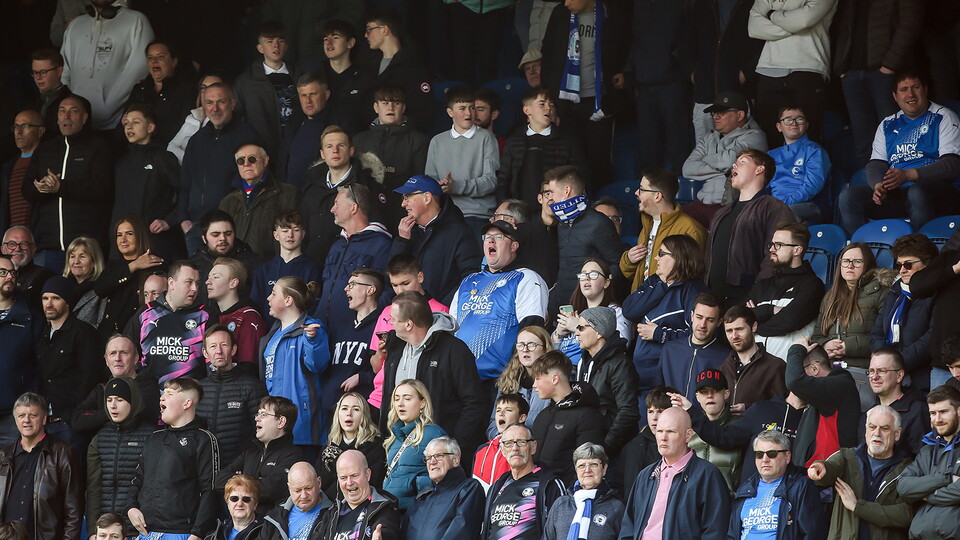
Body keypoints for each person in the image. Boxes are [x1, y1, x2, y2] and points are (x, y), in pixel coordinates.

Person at [838, 71, 960, 235]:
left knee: (918, 192)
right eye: (903, 89)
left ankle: (919, 251)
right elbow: (876, 163)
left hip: (938, 192)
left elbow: (952, 164)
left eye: (915, 87)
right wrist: (878, 185)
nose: (910, 94)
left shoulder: (943, 116)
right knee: (849, 197)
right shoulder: (887, 124)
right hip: (899, 193)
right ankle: (862, 253)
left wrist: (909, 174)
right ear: (895, 96)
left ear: (925, 89)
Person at [540, 0, 628, 190]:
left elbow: (625, 47)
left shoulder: (610, 13)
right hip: (566, 101)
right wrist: (550, 98)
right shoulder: (560, 14)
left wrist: (624, 74)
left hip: (598, 102)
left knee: (599, 162)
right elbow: (547, 53)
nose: (567, 2)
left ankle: (601, 208)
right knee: (569, 162)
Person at [451, 219, 548, 384]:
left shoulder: (525, 277)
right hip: (460, 380)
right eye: (487, 237)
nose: (491, 240)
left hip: (500, 380)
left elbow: (532, 329)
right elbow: (450, 327)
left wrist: (517, 375)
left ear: (513, 246)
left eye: (499, 236)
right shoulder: (469, 280)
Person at [27, 94, 113, 270]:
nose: (66, 117)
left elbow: (101, 187)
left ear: (84, 117)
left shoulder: (99, 146)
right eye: (61, 111)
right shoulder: (45, 149)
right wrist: (40, 188)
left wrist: (61, 187)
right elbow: (26, 189)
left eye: (73, 111)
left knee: (84, 297)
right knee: (51, 296)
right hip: (50, 249)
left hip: (86, 248)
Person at [619, 407, 730, 540]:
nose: (663, 438)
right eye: (659, 431)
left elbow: (715, 531)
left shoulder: (707, 475)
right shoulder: (645, 476)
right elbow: (628, 528)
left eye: (671, 432)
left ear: (688, 435)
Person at [128, 378, 219, 539]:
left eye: (169, 394)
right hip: (146, 532)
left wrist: (198, 533)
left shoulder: (203, 439)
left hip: (182, 533)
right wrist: (130, 508)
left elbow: (210, 490)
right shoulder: (153, 438)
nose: (162, 397)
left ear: (187, 403)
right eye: (163, 393)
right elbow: (137, 480)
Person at [832, 0, 919, 166]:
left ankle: (902, 186)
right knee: (863, 143)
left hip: (886, 74)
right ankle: (871, 187)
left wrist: (889, 66)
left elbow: (910, 23)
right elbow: (842, 27)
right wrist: (841, 68)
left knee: (897, 138)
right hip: (852, 74)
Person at [706, 148, 796, 308]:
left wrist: (757, 294)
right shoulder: (723, 211)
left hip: (745, 301)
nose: (734, 165)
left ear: (759, 169)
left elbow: (777, 255)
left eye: (742, 161)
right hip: (713, 299)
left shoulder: (773, 208)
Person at [807, 405, 914, 539]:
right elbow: (830, 468)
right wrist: (820, 468)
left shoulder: (908, 469)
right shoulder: (847, 457)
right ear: (865, 431)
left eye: (884, 428)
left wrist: (857, 506)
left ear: (897, 434)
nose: (877, 433)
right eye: (872, 427)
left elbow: (904, 515)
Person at [179, 82, 259, 255]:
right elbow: (185, 183)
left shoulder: (247, 136)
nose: (215, 108)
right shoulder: (196, 140)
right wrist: (183, 219)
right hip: (196, 228)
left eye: (221, 101)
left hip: (230, 228)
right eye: (209, 102)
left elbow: (254, 182)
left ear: (232, 103)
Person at [811, 242, 892, 408]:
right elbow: (817, 336)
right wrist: (825, 345)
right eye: (845, 261)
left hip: (863, 373)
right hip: (830, 373)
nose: (850, 266)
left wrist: (848, 347)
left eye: (857, 262)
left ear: (867, 265)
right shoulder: (830, 296)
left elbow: (885, 338)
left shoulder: (881, 292)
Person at [623, 234, 707, 393]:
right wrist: (663, 285)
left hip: (669, 381)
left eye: (661, 253)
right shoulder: (654, 282)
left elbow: (700, 334)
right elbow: (630, 310)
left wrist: (659, 334)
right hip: (641, 379)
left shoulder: (693, 291)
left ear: (679, 257)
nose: (656, 258)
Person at [366, 254, 449, 415]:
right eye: (394, 285)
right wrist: (380, 353)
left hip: (418, 398)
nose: (400, 290)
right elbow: (376, 368)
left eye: (405, 283)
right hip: (381, 397)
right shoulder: (386, 312)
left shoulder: (439, 311)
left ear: (420, 276)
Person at [748, 0, 836, 145]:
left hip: (808, 68)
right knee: (769, 135)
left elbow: (805, 20)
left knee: (807, 135)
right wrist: (794, 26)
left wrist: (771, 15)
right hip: (768, 70)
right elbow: (753, 28)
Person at [299, 126, 391, 264]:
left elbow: (377, 235)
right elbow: (301, 228)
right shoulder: (311, 187)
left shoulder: (368, 187)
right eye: (329, 146)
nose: (335, 150)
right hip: (311, 265)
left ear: (351, 150)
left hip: (350, 268)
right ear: (322, 154)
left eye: (341, 145)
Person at [259, 277, 330, 456]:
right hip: (276, 428)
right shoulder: (272, 335)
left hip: (302, 428)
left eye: (274, 294)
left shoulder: (311, 329)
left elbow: (317, 365)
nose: (268, 298)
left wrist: (313, 340)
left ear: (288, 300)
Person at [541, 165, 624, 315]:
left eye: (551, 192)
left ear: (567, 191)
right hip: (562, 310)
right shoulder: (562, 222)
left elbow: (618, 264)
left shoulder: (598, 223)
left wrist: (597, 298)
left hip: (588, 313)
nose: (550, 199)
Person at [60, 0, 154, 130]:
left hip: (116, 123)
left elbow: (138, 70)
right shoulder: (76, 25)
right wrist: (72, 106)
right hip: (76, 122)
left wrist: (108, 106)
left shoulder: (136, 21)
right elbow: (63, 69)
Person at [0, 392, 82, 539]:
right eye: (21, 415)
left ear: (44, 419)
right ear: (15, 419)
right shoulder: (3, 456)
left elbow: (73, 511)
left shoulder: (63, 453)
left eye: (33, 415)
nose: (26, 420)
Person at [390, 175, 482, 304]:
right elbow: (393, 276)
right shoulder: (407, 232)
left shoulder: (459, 231)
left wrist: (441, 308)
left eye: (407, 197)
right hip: (409, 313)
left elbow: (471, 277)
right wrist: (402, 242)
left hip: (444, 317)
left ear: (427, 197)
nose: (403, 204)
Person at [36, 275, 102, 449]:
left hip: (70, 424)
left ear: (68, 302)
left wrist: (74, 415)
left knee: (73, 474)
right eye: (45, 298)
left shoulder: (84, 333)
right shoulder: (41, 334)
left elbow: (90, 378)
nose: (49, 304)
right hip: (43, 423)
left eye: (56, 298)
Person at [84, 376, 155, 538]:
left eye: (120, 399)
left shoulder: (151, 436)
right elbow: (93, 488)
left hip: (137, 529)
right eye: (109, 400)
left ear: (133, 401)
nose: (113, 406)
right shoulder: (100, 438)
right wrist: (93, 531)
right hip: (105, 531)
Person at [682, 91, 768, 222]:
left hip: (732, 206)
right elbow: (687, 169)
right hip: (702, 203)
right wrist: (723, 169)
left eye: (721, 112)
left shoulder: (754, 136)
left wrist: (706, 158)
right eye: (714, 113)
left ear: (739, 115)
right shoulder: (708, 139)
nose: (715, 117)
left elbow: (728, 162)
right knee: (673, 222)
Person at [112, 105, 182, 262]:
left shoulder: (163, 159)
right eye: (126, 123)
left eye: (135, 122)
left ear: (150, 127)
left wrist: (169, 221)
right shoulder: (120, 162)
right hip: (124, 246)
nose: (129, 127)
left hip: (155, 241)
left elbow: (186, 192)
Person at [315, 184, 391, 328]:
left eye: (337, 204)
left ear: (354, 208)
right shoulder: (337, 244)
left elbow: (387, 290)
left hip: (354, 331)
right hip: (323, 328)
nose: (332, 209)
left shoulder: (381, 243)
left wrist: (366, 322)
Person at [496, 87, 585, 211]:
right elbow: (504, 180)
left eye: (551, 104)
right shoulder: (514, 140)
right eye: (542, 104)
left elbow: (578, 177)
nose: (548, 108)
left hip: (556, 210)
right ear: (527, 110)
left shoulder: (567, 140)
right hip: (520, 211)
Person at [746, 222, 825, 359]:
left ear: (797, 250)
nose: (772, 249)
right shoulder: (762, 285)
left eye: (779, 245)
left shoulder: (812, 285)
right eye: (772, 244)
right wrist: (771, 310)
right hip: (754, 367)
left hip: (788, 369)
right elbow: (742, 318)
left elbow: (788, 322)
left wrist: (755, 322)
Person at [728, 430, 827, 538]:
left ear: (787, 457)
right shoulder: (744, 490)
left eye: (772, 454)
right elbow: (732, 535)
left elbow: (813, 534)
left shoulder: (801, 487)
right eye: (759, 454)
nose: (765, 460)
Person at [424, 86, 499, 229]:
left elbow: (490, 181)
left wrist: (456, 186)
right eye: (462, 108)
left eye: (471, 108)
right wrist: (441, 186)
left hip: (478, 214)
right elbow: (430, 182)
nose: (468, 113)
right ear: (450, 112)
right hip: (444, 215)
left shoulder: (486, 138)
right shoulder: (437, 141)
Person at [870, 233, 938, 391]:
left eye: (908, 265)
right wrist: (885, 362)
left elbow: (931, 338)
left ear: (927, 263)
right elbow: (876, 332)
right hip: (889, 376)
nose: (902, 271)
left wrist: (895, 363)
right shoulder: (895, 292)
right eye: (899, 265)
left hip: (920, 380)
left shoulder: (937, 292)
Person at [620, 169, 706, 291]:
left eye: (642, 189)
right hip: (642, 305)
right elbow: (634, 274)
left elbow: (691, 280)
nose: (636, 193)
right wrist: (629, 260)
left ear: (657, 196)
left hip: (666, 308)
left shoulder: (691, 230)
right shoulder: (647, 225)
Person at [126, 260, 209, 386]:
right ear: (171, 283)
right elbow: (127, 349)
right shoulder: (146, 313)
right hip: (149, 394)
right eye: (189, 282)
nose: (195, 288)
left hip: (189, 396)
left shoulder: (205, 315)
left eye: (197, 283)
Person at [573, 307, 640, 459]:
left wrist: (604, 449)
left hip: (613, 453)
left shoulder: (620, 364)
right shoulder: (583, 362)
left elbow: (628, 412)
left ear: (599, 332)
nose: (576, 332)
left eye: (581, 328)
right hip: (588, 449)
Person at [216, 396, 303, 513]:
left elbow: (272, 490)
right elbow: (219, 480)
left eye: (263, 414)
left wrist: (239, 480)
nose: (257, 419)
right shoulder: (250, 453)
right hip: (242, 525)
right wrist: (256, 481)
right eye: (257, 414)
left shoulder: (293, 456)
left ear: (281, 422)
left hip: (270, 526)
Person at [530, 351, 605, 485]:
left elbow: (588, 462)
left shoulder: (587, 415)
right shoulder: (542, 416)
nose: (534, 385)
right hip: (538, 493)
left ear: (554, 379)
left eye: (537, 378)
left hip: (567, 496)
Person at [482, 422, 565, 540]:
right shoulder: (496, 487)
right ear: (503, 450)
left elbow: (561, 530)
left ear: (533, 447)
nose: (515, 448)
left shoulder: (549, 484)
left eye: (521, 442)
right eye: (509, 443)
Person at [197, 325, 265, 467]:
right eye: (213, 346)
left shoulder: (251, 386)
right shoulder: (199, 389)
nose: (219, 351)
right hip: (203, 468)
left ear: (233, 349)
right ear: (205, 352)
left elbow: (260, 434)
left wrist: (246, 465)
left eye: (224, 345)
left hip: (239, 471)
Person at [897, 385, 960, 539]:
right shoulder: (927, 450)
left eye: (943, 412)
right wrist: (945, 479)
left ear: (959, 411)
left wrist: (924, 493)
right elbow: (903, 486)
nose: (937, 419)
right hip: (920, 535)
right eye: (933, 413)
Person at [786, 338, 861, 467]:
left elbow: (794, 381)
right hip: (811, 477)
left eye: (800, 370)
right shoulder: (821, 396)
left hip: (829, 479)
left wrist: (796, 349)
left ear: (814, 369)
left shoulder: (841, 386)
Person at [233, 22, 302, 161]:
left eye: (280, 41)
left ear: (286, 46)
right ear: (260, 48)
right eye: (270, 41)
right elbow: (235, 115)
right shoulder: (246, 81)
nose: (276, 46)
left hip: (295, 147)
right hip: (261, 151)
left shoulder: (299, 76)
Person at [219, 142, 300, 259]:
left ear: (265, 160)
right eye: (241, 161)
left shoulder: (289, 194)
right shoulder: (227, 202)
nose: (246, 164)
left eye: (252, 159)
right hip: (235, 268)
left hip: (270, 268)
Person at [358, 9, 434, 131]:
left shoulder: (413, 67)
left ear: (384, 29)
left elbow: (423, 113)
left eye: (369, 29)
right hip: (368, 138)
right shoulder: (368, 64)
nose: (366, 35)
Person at [69, 334, 160, 435]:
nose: (117, 358)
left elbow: (138, 417)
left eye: (124, 353)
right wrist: (112, 413)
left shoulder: (148, 386)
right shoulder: (101, 389)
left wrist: (100, 416)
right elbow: (77, 420)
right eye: (112, 353)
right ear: (106, 361)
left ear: (135, 358)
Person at [322, 269, 381, 419]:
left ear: (370, 290)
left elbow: (387, 369)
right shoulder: (340, 325)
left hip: (362, 410)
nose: (346, 288)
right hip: (332, 407)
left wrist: (363, 377)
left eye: (353, 284)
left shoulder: (382, 324)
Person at [381, 379, 447, 510]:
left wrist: (414, 484)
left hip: (418, 513)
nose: (400, 404)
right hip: (391, 512)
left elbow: (449, 478)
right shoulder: (394, 438)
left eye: (407, 398)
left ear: (422, 403)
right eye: (397, 398)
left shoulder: (433, 433)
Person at [402, 436, 485, 540]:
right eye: (428, 458)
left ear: (455, 460)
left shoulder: (469, 488)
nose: (432, 462)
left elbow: (462, 530)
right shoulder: (422, 496)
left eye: (439, 456)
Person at [552, 258, 632, 365]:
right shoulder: (575, 313)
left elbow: (620, 346)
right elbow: (551, 355)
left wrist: (578, 327)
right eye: (583, 275)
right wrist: (558, 334)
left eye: (593, 275)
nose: (586, 279)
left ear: (606, 282)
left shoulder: (616, 313)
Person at [96, 215, 166, 338]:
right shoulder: (113, 266)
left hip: (143, 332)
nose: (123, 239)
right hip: (110, 335)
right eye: (119, 235)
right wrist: (134, 265)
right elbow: (100, 289)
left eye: (129, 234)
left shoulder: (155, 264)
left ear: (140, 236)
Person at [352, 84, 430, 192]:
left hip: (405, 201)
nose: (391, 108)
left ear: (403, 108)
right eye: (385, 103)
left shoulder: (418, 140)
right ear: (376, 107)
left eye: (396, 103)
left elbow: (420, 180)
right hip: (369, 200)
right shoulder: (359, 140)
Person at [249, 211, 321, 326]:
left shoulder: (312, 269)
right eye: (285, 231)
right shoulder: (263, 270)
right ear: (276, 235)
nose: (290, 235)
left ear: (303, 234)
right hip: (268, 334)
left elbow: (314, 306)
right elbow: (255, 307)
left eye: (296, 230)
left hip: (299, 333)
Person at [542, 443, 624, 540]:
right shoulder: (561, 505)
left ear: (604, 469)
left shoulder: (616, 508)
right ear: (576, 470)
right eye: (581, 465)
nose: (587, 470)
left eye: (594, 464)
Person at [911, 228, 960, 389]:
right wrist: (954, 269)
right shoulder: (950, 258)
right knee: (940, 413)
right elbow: (917, 285)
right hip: (944, 364)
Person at [659, 292, 730, 403]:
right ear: (692, 316)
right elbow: (658, 391)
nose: (702, 324)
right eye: (699, 317)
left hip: (704, 419)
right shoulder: (669, 350)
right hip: (671, 417)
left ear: (719, 322)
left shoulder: (726, 357)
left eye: (710, 320)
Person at [316, 450, 401, 540]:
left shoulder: (384, 510)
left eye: (354, 475)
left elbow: (386, 534)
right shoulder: (331, 514)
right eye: (343, 478)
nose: (349, 482)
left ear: (367, 475)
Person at [718, 305, 788, 414]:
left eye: (739, 329)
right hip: (727, 430)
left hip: (761, 430)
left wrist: (749, 408)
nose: (734, 336)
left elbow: (782, 408)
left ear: (754, 326)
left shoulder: (776, 366)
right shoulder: (723, 367)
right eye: (729, 331)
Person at [126, 41, 196, 149]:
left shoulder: (186, 91)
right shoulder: (139, 89)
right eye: (150, 57)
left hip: (168, 154)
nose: (154, 61)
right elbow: (125, 121)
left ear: (174, 62)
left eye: (160, 57)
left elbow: (186, 129)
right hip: (137, 153)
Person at [767, 106, 831, 222]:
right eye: (788, 120)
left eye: (799, 119)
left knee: (789, 213)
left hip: (807, 205)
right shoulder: (771, 155)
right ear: (779, 127)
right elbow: (763, 185)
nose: (794, 123)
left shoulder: (814, 151)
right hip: (775, 206)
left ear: (806, 125)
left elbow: (812, 186)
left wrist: (784, 203)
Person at [487, 328, 554, 439]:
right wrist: (507, 439)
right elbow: (493, 426)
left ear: (545, 349)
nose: (525, 350)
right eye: (521, 345)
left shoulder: (554, 380)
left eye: (532, 345)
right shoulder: (507, 380)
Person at [317, 392, 385, 498]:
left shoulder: (375, 446)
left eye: (356, 409)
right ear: (337, 414)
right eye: (344, 408)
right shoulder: (328, 448)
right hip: (327, 508)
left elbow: (373, 485)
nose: (349, 413)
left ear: (364, 415)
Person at [862, 348, 929, 455]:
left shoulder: (917, 411)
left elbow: (922, 458)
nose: (874, 377)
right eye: (871, 371)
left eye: (882, 371)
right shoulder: (870, 412)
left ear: (899, 376)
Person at [204, 257, 268, 370]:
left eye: (216, 277)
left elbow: (249, 367)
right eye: (209, 278)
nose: (208, 282)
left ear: (233, 283)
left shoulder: (249, 317)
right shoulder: (212, 317)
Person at [189, 211, 260, 305]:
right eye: (215, 234)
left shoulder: (253, 262)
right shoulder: (193, 265)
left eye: (228, 233)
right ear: (204, 238)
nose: (222, 238)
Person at [258, 462, 333, 540]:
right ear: (289, 488)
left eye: (308, 488)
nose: (304, 496)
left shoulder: (333, 516)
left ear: (318, 483)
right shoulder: (275, 516)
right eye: (297, 490)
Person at [280, 73, 330, 188]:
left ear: (326, 94)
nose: (308, 100)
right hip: (290, 196)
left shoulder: (338, 122)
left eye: (313, 94)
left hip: (318, 196)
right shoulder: (293, 123)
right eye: (303, 95)